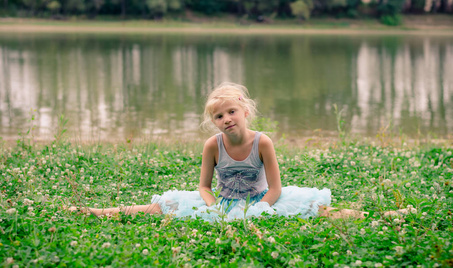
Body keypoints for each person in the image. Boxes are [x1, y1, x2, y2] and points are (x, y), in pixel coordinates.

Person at [68, 83, 403, 220]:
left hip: (260, 201)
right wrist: (214, 208)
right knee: (160, 207)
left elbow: (276, 188)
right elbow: (203, 187)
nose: (226, 119)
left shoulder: (263, 142)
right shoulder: (212, 145)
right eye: (218, 116)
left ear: (245, 112)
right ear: (213, 122)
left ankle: (380, 216)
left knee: (316, 209)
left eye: (231, 112)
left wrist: (258, 210)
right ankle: (96, 211)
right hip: (223, 202)